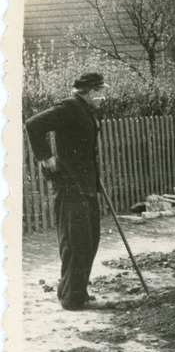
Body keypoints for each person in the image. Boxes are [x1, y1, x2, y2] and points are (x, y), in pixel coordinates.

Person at [24, 72, 109, 310]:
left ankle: (72, 288)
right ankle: (73, 299)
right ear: (91, 92)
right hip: (71, 185)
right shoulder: (70, 107)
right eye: (101, 91)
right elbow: (33, 124)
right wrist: (46, 157)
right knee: (76, 241)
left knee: (89, 239)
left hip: (85, 184)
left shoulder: (84, 109)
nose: (103, 97)